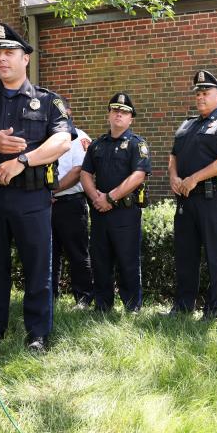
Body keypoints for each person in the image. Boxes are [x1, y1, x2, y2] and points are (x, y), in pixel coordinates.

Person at [0, 22, 76, 352]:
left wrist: (22, 160)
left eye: (9, 53)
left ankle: (37, 333)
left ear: (25, 59)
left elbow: (63, 141)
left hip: (30, 197)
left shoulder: (48, 102)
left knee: (38, 266)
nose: (2, 59)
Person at [168, 70, 217, 319]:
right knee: (185, 255)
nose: (201, 97)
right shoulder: (187, 124)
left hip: (214, 200)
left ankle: (214, 309)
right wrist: (173, 177)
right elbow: (174, 156)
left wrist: (195, 178)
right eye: (198, 93)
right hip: (186, 199)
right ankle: (183, 306)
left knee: (215, 256)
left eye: (206, 93)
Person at [80, 93, 151, 312]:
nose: (119, 114)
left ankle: (132, 307)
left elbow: (138, 175)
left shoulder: (136, 145)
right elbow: (85, 173)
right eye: (115, 110)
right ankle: (103, 306)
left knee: (127, 261)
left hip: (125, 213)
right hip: (100, 212)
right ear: (109, 114)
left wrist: (110, 197)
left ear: (131, 118)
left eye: (125, 111)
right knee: (100, 261)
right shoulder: (97, 145)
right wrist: (96, 198)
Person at [51, 126, 94, 309]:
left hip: (70, 203)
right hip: (44, 204)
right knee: (49, 253)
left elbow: (78, 171)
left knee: (77, 252)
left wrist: (52, 190)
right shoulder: (44, 135)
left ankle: (83, 297)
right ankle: (49, 295)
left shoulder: (79, 137)